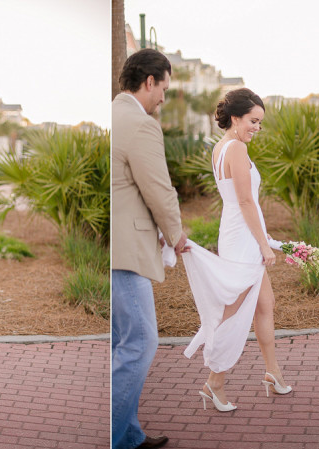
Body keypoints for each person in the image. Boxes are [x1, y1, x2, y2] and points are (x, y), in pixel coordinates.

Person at [179, 88, 291, 412]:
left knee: (265, 304)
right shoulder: (237, 149)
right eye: (253, 121)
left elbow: (241, 202)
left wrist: (264, 238)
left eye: (260, 122)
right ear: (236, 117)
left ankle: (273, 373)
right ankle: (214, 382)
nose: (257, 127)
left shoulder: (220, 148)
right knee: (234, 311)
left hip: (236, 231)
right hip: (243, 237)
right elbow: (244, 201)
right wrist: (262, 244)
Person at [112, 48, 188, 449]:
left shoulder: (114, 114)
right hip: (126, 251)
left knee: (121, 345)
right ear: (149, 82)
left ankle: (129, 436)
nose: (164, 97)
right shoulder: (141, 125)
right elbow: (158, 187)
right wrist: (175, 233)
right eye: (164, 88)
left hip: (113, 248)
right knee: (141, 342)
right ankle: (114, 436)